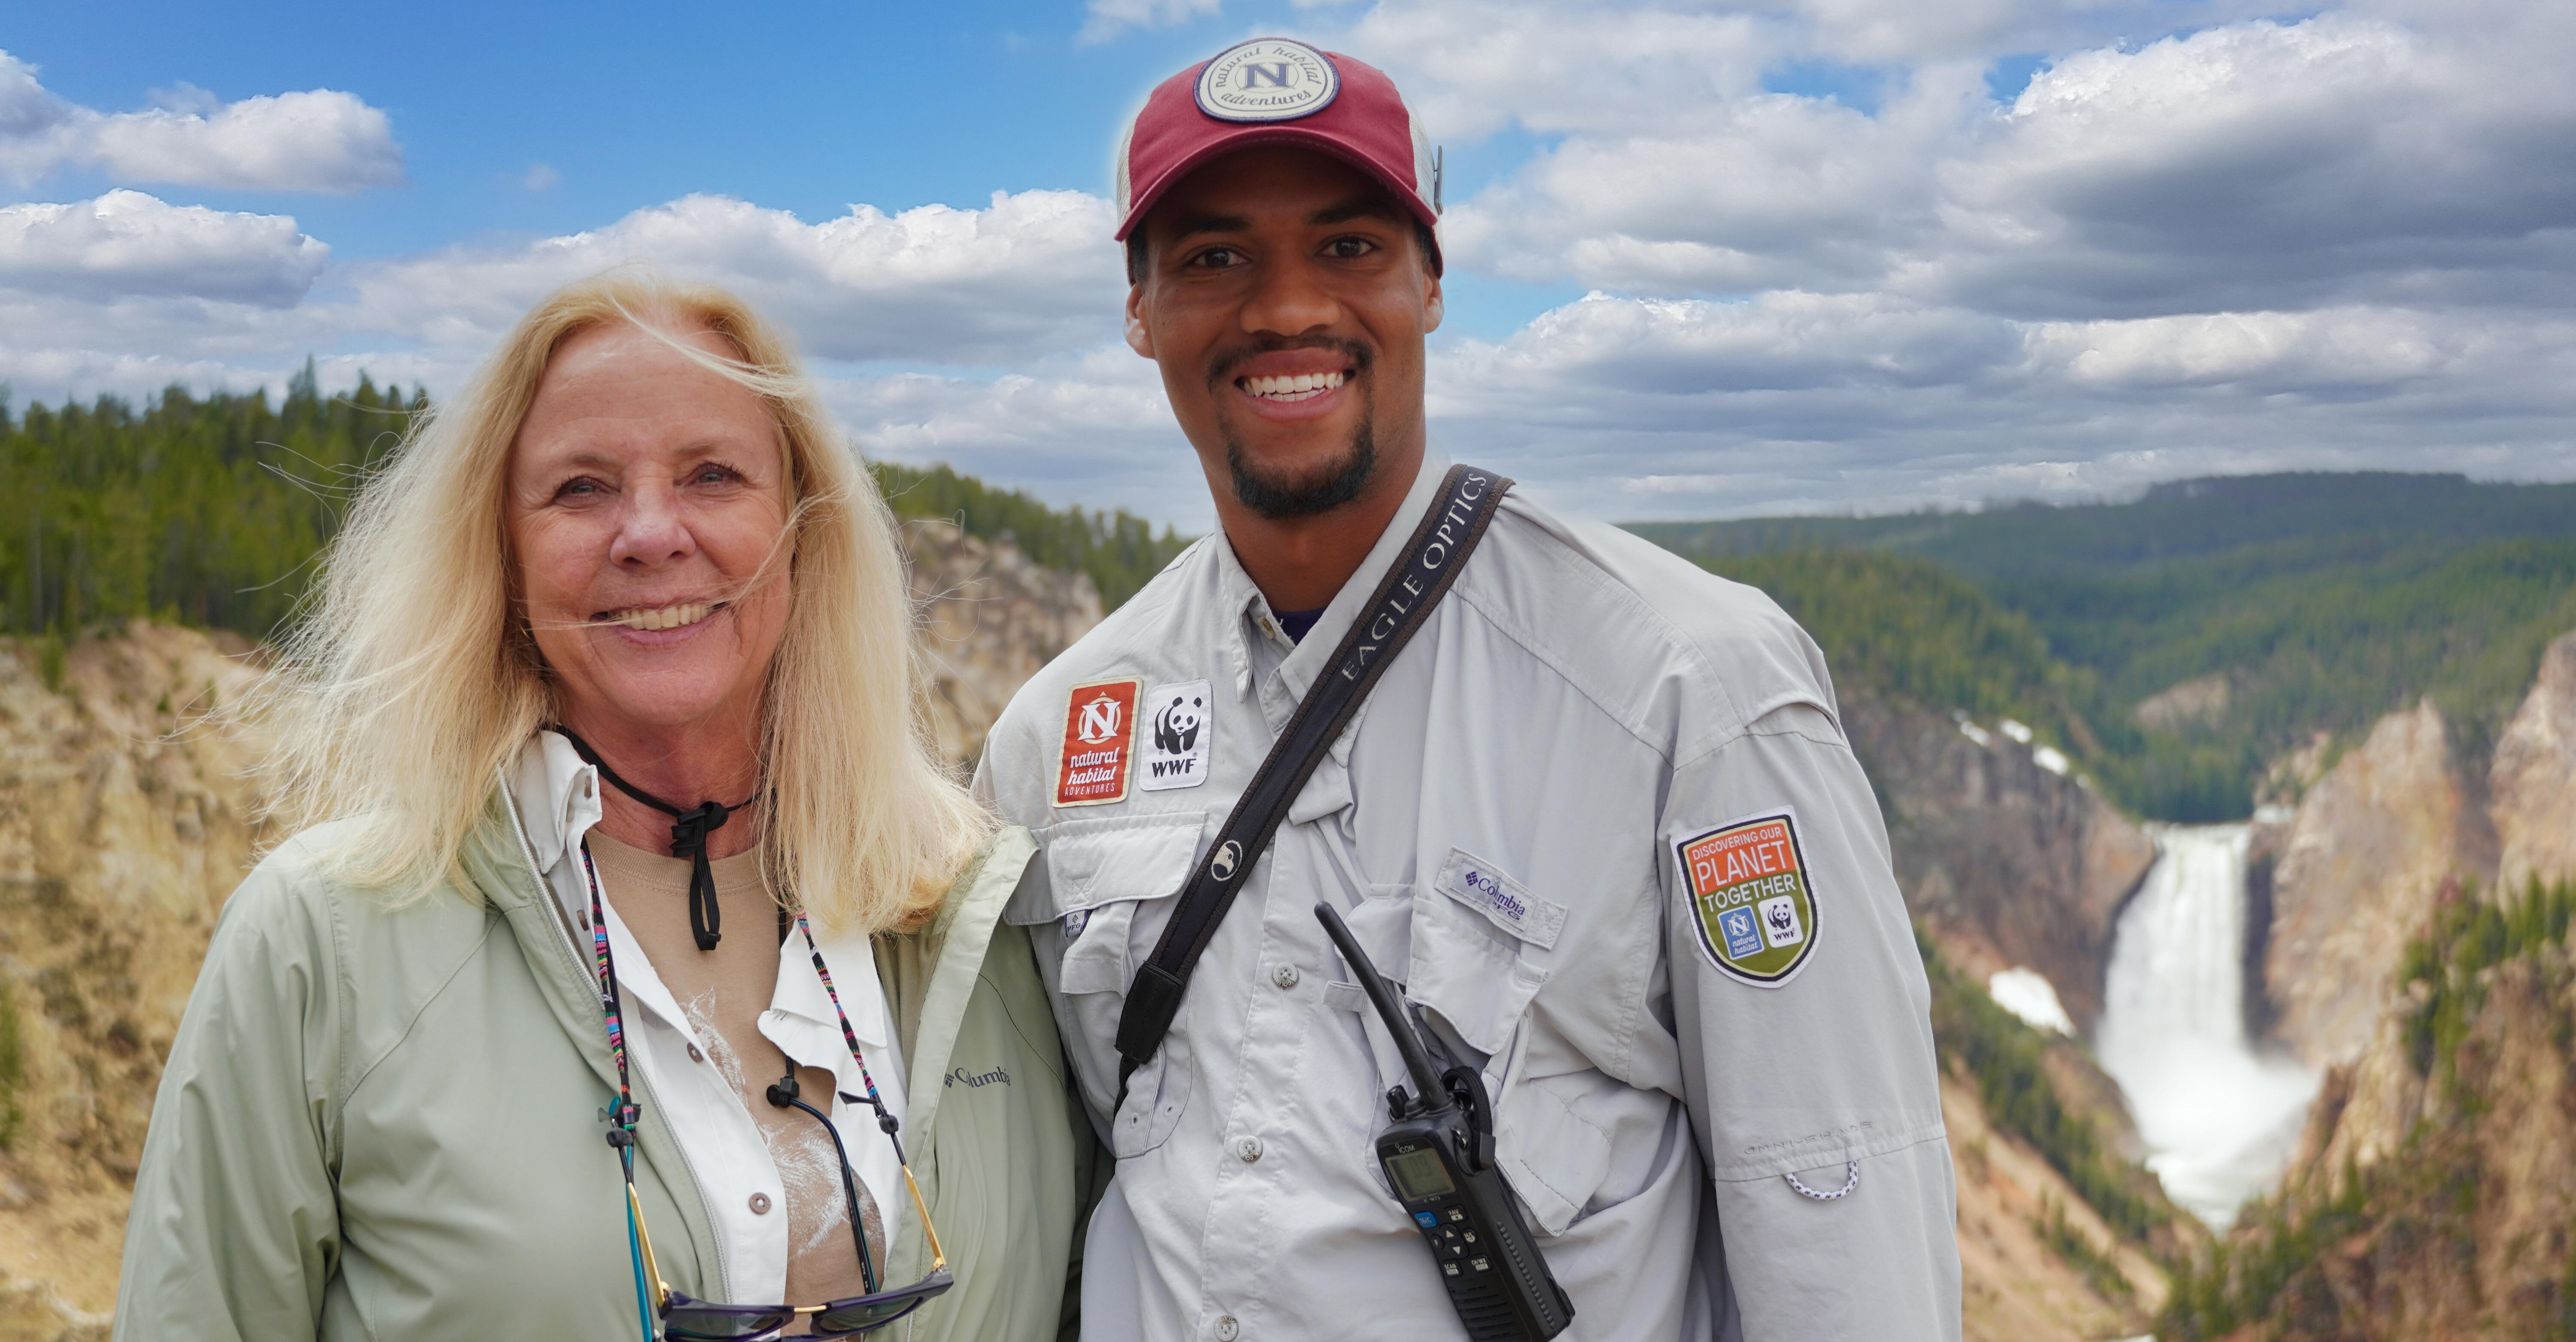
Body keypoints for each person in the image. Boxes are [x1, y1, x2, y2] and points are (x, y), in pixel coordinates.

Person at [975, 40, 1960, 1340]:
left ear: (1430, 284)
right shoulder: (1057, 734)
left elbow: (1839, 1206)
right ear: (1140, 307)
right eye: (1215, 256)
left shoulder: (1689, 689)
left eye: (1347, 248)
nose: (1285, 309)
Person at [114, 270, 1096, 1341]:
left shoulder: (980, 919)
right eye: (580, 488)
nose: (649, 532)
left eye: (713, 475)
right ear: (503, 553)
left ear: (804, 530)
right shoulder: (324, 944)